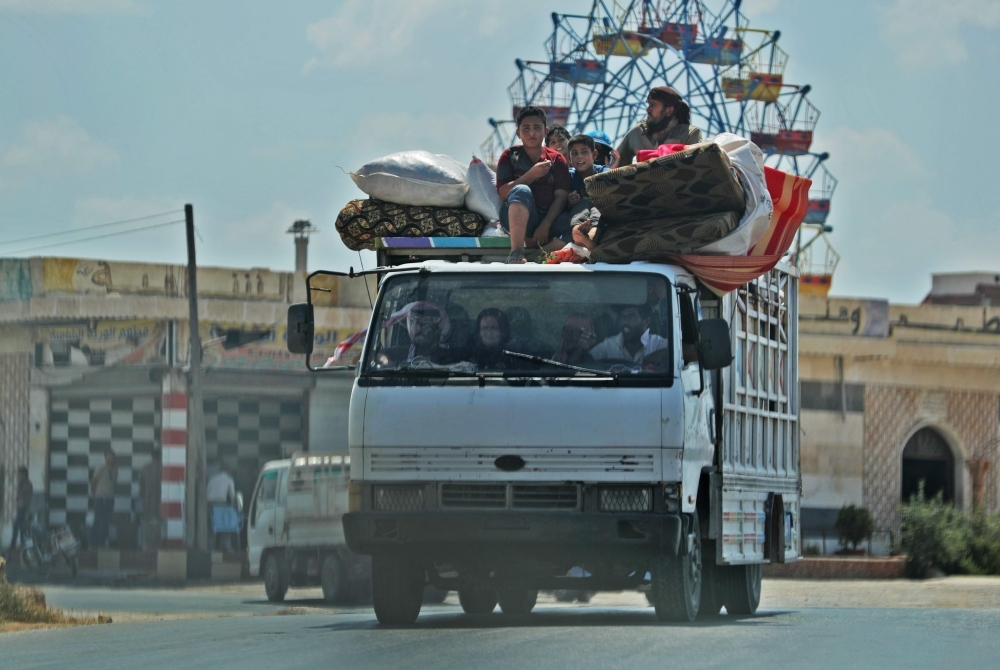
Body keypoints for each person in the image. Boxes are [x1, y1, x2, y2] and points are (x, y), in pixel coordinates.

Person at [496, 106, 573, 263]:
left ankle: (535, 256)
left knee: (576, 223)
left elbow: (561, 197)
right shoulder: (509, 156)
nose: (532, 133)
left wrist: (545, 225)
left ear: (545, 132)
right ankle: (517, 252)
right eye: (526, 128)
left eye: (537, 128)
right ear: (518, 133)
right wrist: (531, 175)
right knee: (521, 190)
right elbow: (504, 193)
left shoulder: (557, 159)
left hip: (549, 218)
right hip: (517, 216)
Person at [616, 86, 704, 166]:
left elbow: (696, 168)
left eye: (653, 105)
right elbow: (616, 168)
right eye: (648, 105)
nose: (648, 110)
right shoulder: (636, 132)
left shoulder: (690, 134)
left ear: (669, 111)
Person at [376, 301, 454, 366]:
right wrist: (384, 359)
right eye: (412, 321)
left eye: (425, 321)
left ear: (440, 329)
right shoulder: (401, 352)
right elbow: (372, 356)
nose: (417, 327)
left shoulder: (450, 359)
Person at [590, 304, 670, 366]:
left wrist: (661, 353)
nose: (625, 322)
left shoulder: (658, 343)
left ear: (646, 321)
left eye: (631, 317)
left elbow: (681, 350)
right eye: (622, 317)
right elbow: (586, 363)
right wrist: (583, 348)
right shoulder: (609, 345)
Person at [566, 134, 611, 218]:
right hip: (578, 214)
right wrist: (570, 202)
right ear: (569, 158)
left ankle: (594, 230)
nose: (579, 156)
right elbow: (564, 206)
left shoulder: (603, 172)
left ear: (594, 154)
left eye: (584, 152)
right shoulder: (568, 176)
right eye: (575, 153)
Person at [89, 450, 117, 549]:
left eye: (112, 456)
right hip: (100, 498)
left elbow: (114, 484)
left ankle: (101, 544)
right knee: (97, 520)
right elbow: (93, 483)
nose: (110, 458)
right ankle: (92, 544)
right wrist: (95, 496)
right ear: (105, 457)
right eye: (108, 456)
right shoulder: (100, 468)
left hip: (110, 499)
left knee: (106, 522)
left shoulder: (115, 470)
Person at [207, 463, 237, 552]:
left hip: (209, 503)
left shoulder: (213, 478)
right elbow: (232, 496)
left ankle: (211, 547)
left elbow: (207, 491)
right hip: (221, 503)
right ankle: (226, 545)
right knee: (226, 524)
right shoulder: (229, 479)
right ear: (229, 471)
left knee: (212, 525)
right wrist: (234, 507)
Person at [139, 449, 162, 550]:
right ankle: (157, 544)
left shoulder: (145, 468)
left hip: (147, 500)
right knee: (158, 522)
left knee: (148, 521)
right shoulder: (163, 468)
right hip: (160, 500)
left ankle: (147, 544)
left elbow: (141, 487)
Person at [7, 467, 33, 554]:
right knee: (21, 527)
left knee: (17, 526)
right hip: (21, 508)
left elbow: (23, 496)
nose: (18, 476)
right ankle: (22, 544)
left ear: (24, 474)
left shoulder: (26, 484)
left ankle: (14, 544)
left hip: (23, 508)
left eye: (19, 474)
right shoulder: (23, 483)